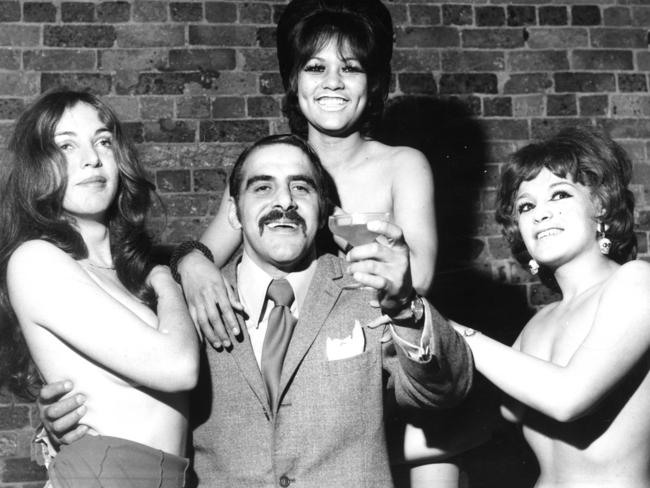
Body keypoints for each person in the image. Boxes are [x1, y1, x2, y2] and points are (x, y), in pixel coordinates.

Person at [41, 133, 474, 487]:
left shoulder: (367, 290)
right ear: (234, 211)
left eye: (301, 188)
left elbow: (446, 389)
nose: (284, 202)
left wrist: (406, 308)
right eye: (263, 186)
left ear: (323, 212)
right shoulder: (182, 305)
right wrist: (60, 425)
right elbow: (135, 405)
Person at [0, 90, 199, 487]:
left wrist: (190, 259)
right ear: (38, 166)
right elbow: (179, 367)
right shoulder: (35, 260)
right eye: (66, 145)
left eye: (103, 141)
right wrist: (166, 280)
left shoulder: (125, 273)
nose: (91, 158)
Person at [452, 127, 650, 487]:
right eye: (526, 206)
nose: (540, 214)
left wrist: (450, 331)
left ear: (601, 205)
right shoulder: (538, 324)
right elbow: (481, 425)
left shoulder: (637, 283)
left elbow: (567, 398)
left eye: (559, 195)